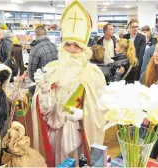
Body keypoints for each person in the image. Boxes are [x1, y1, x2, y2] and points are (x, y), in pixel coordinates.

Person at [30, 1, 106, 166]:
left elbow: (101, 109)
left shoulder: (94, 73)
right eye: (67, 44)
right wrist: (43, 92)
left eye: (77, 46)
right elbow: (42, 111)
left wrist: (84, 115)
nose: (71, 49)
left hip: (78, 132)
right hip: (55, 134)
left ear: (84, 49)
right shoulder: (50, 69)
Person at [28, 26, 58, 97]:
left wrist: (37, 81)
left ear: (36, 35)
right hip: (55, 85)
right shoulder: (55, 46)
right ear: (46, 34)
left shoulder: (35, 49)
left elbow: (31, 71)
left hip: (42, 87)